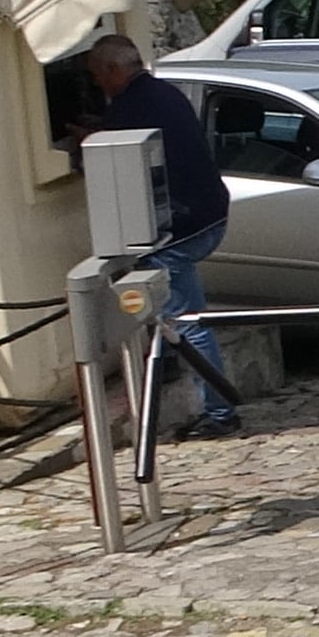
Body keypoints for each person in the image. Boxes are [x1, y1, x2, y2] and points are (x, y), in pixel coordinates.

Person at [75, 34, 238, 438]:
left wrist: (86, 144)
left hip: (178, 228)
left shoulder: (130, 108)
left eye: (98, 77)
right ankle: (163, 362)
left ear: (114, 70)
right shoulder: (163, 93)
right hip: (210, 214)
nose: (99, 86)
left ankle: (220, 413)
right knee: (169, 309)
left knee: (186, 320)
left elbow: (111, 159)